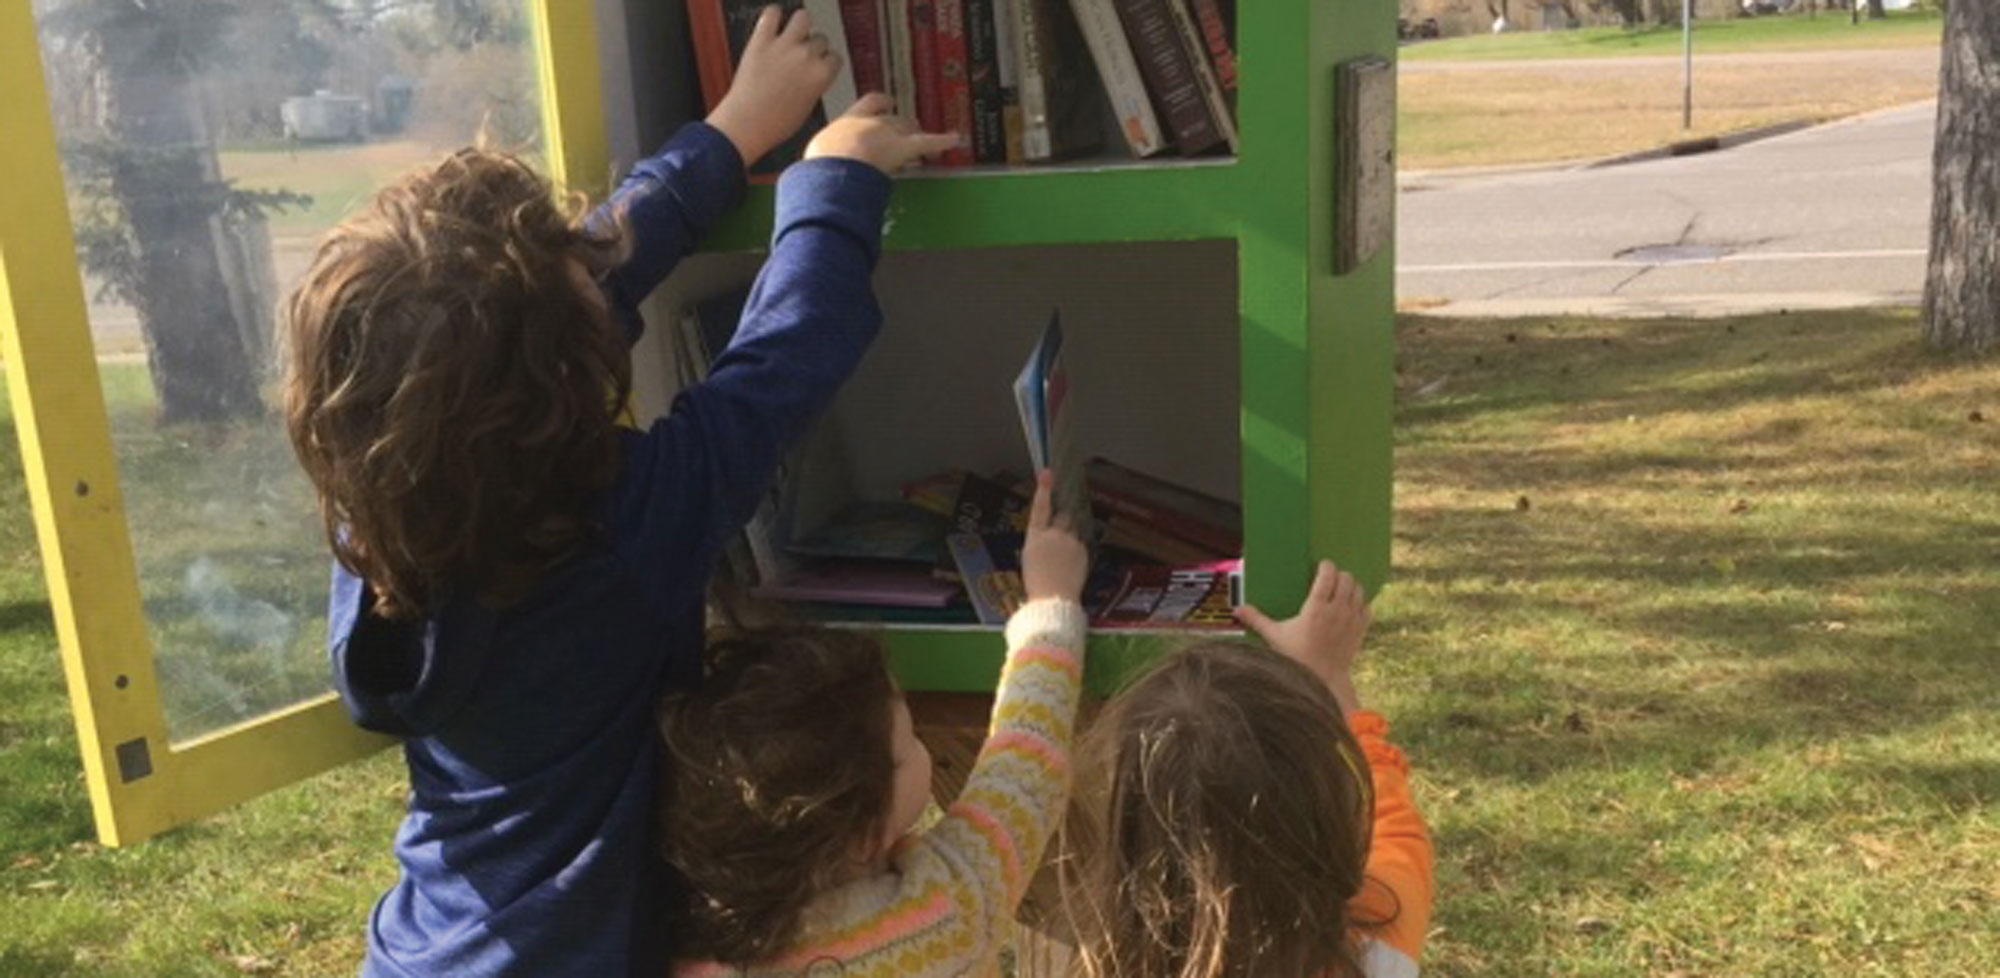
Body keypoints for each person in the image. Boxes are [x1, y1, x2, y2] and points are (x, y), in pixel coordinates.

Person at [279, 7, 957, 974]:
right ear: (572, 365)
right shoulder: (623, 529)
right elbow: (783, 360)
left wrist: (732, 132)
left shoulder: (385, 513)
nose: (598, 268)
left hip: (426, 952)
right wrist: (833, 180)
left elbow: (556, 290)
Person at [657, 473, 1090, 977]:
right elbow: (1025, 762)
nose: (921, 744)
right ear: (863, 836)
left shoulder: (710, 961)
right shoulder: (951, 903)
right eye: (907, 746)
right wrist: (1050, 604)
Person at [1058, 561, 1433, 978]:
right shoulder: (1382, 931)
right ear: (1327, 809)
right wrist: (1328, 673)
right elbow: (1393, 820)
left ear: (1128, 835)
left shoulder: (1114, 963)